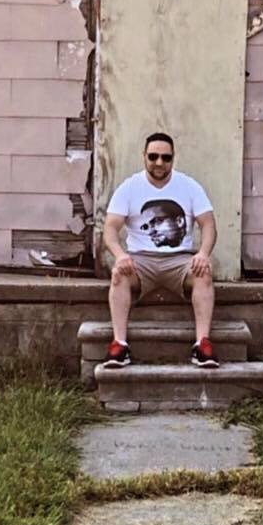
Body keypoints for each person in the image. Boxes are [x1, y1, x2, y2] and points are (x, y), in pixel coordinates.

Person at [101, 132, 219, 369]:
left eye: (166, 158)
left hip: (179, 261)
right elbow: (110, 228)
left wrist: (203, 254)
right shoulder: (130, 187)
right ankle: (119, 345)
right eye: (153, 156)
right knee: (118, 275)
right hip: (140, 261)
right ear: (144, 156)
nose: (159, 163)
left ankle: (202, 345)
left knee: (204, 273)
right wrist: (120, 255)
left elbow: (208, 224)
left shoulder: (188, 186)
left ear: (173, 159)